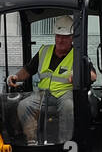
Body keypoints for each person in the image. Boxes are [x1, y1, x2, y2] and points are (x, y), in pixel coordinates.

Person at [6, 16, 96, 144]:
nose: (60, 40)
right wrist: (16, 77)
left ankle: (65, 144)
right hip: (43, 94)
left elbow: (93, 75)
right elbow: (28, 69)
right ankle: (32, 141)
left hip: (65, 93)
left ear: (72, 38)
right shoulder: (44, 51)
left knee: (68, 106)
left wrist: (80, 73)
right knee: (24, 105)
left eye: (64, 37)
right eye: (58, 36)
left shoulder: (78, 54)